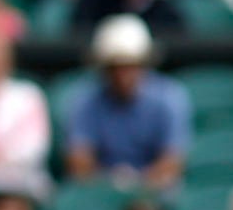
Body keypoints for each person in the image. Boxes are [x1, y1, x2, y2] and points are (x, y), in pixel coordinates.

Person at [65, 17, 190, 188]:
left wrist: (138, 184)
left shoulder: (169, 97)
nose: (122, 76)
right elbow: (79, 161)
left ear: (144, 64)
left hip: (155, 192)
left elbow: (173, 160)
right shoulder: (85, 100)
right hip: (101, 190)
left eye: (130, 66)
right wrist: (113, 183)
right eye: (115, 67)